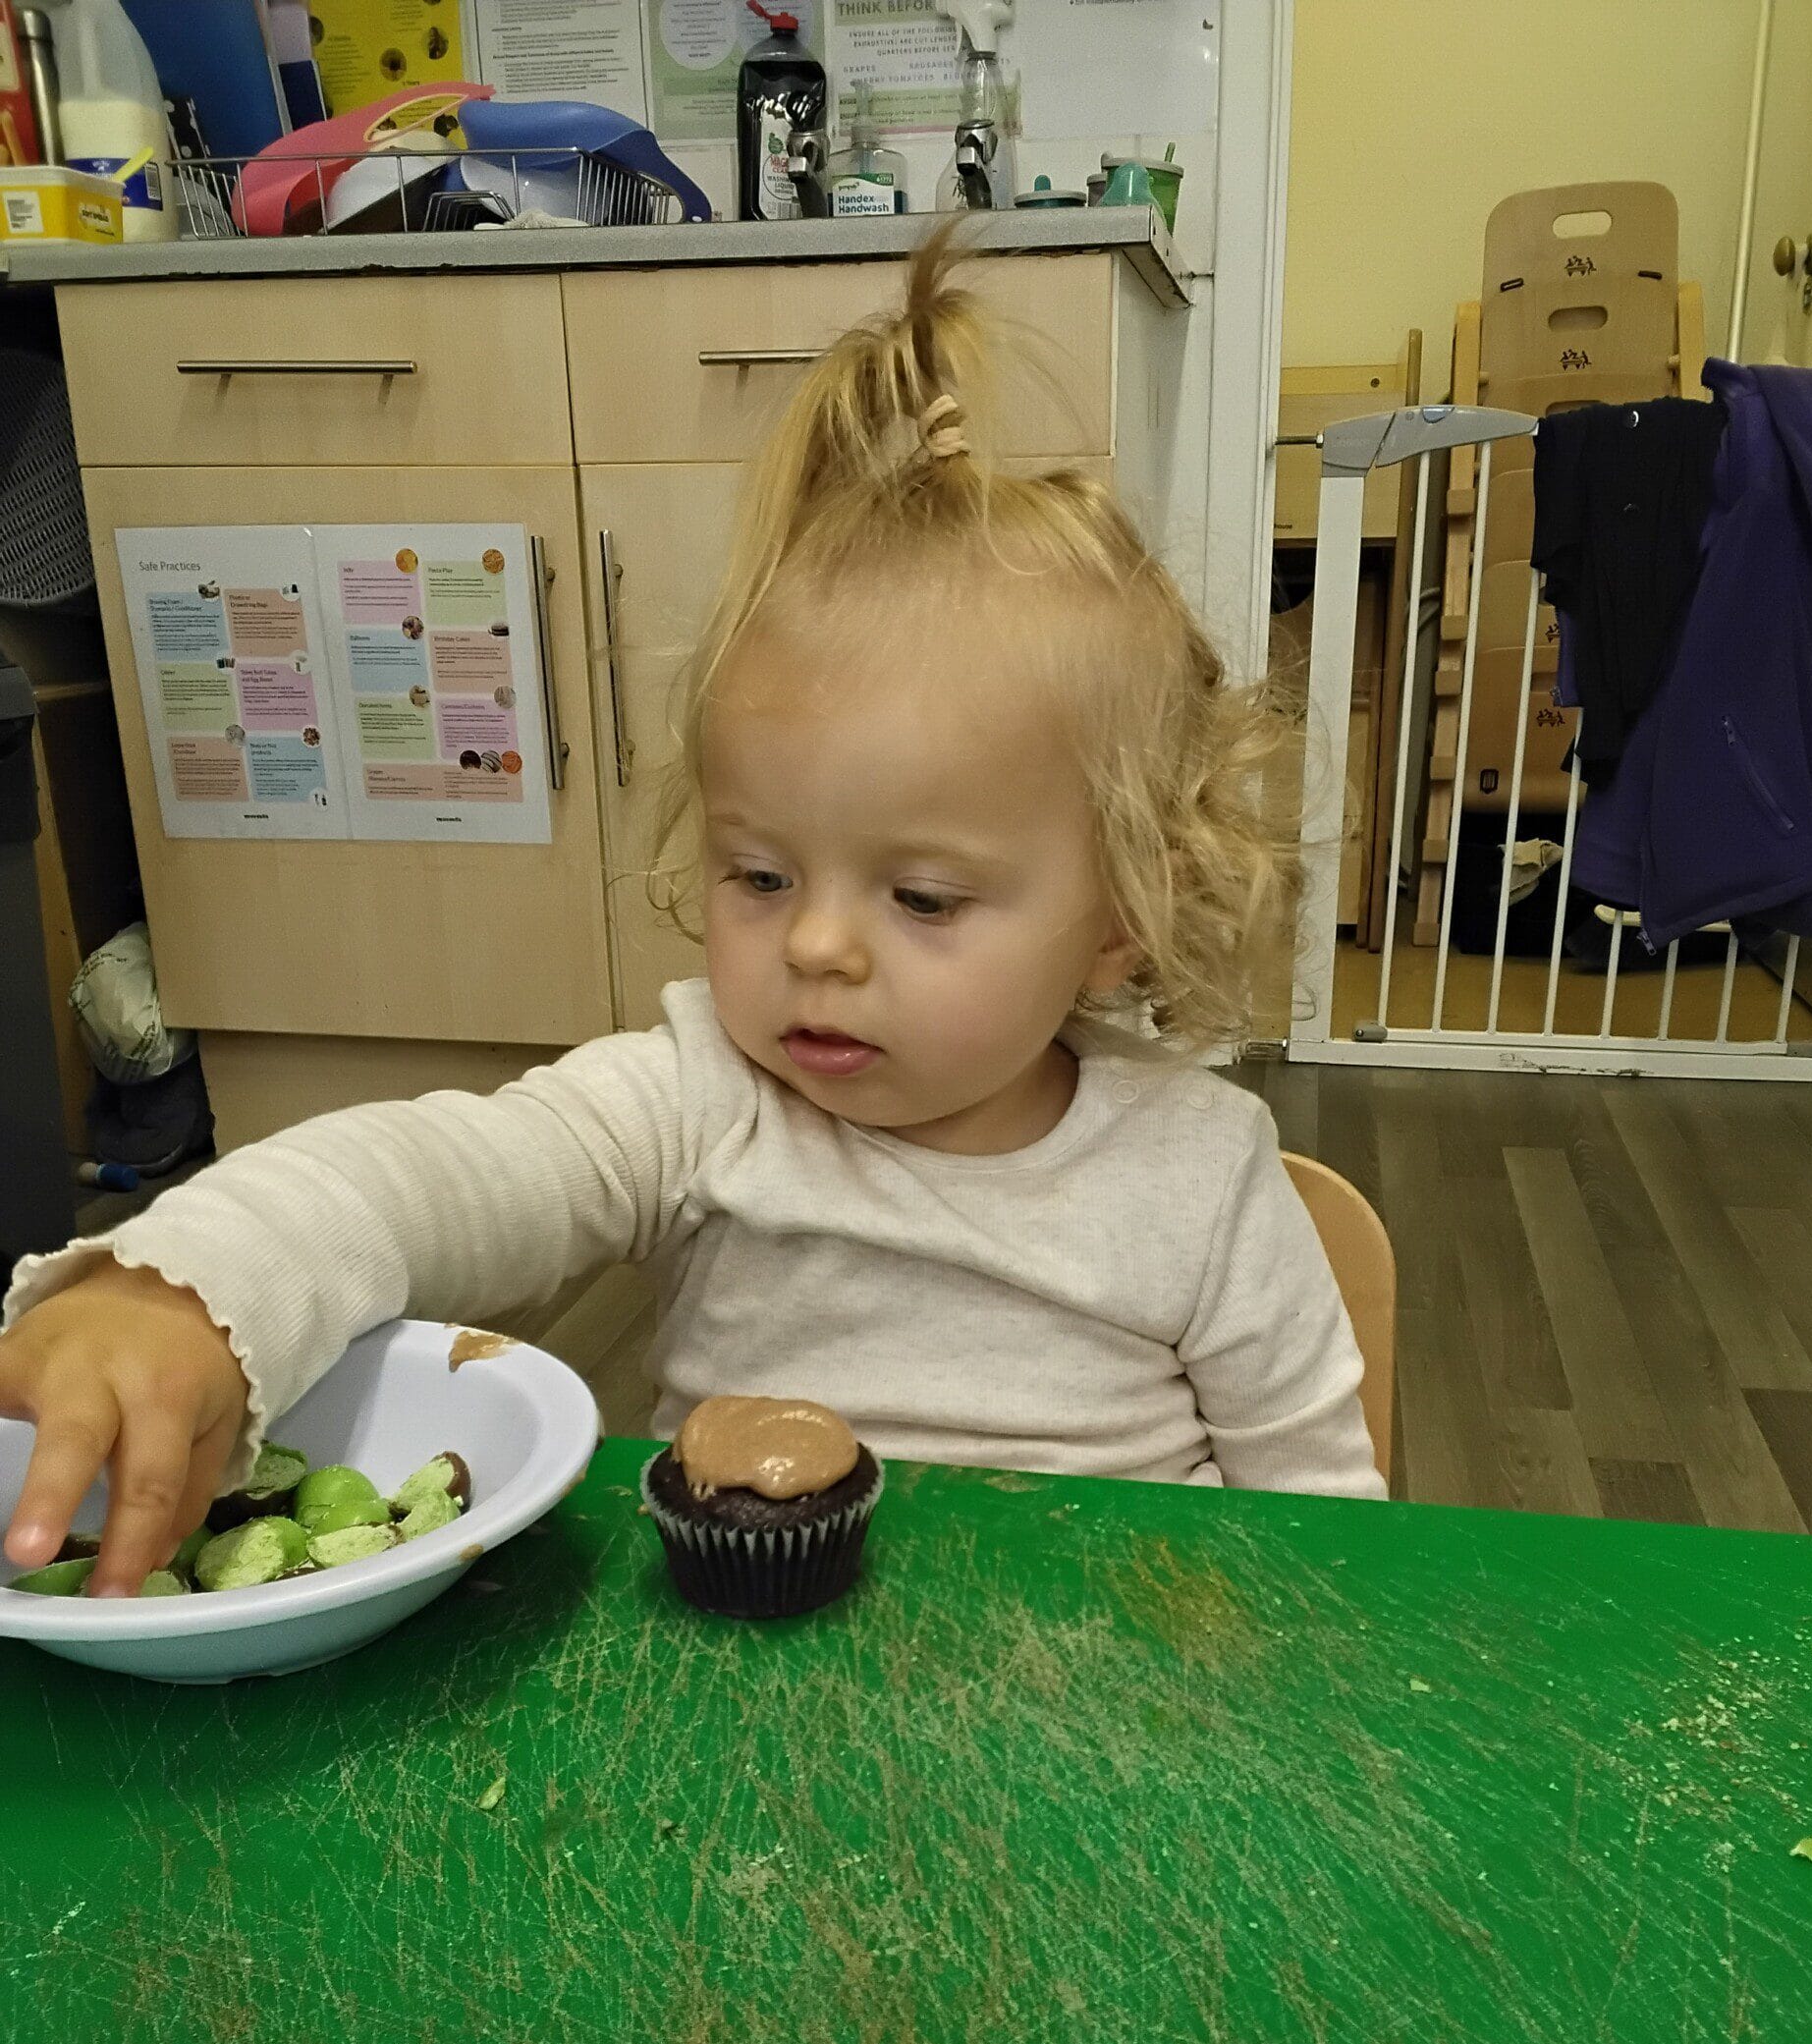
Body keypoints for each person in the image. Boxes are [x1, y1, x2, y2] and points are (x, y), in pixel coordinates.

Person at [0, 234, 1383, 1599]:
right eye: (761, 876)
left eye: (922, 897)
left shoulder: (1199, 1176)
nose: (816, 946)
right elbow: (429, 1178)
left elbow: (1332, 1542)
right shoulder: (699, 1100)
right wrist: (185, 1285)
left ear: (1122, 918)